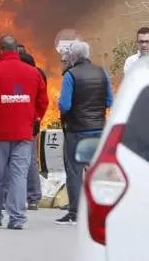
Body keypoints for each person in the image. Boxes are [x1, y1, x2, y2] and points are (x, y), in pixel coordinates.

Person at [0, 35, 48, 230]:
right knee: (19, 176)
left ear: (1, 50)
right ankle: (17, 218)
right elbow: (43, 101)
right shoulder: (33, 73)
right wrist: (34, 118)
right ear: (16, 50)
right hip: (23, 134)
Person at [55, 40, 114, 226]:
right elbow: (110, 101)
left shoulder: (70, 75)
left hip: (77, 131)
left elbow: (65, 106)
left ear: (72, 57)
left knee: (74, 171)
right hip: (99, 129)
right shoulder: (101, 72)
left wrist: (60, 102)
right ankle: (102, 210)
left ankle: (75, 213)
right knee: (97, 171)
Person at [17, 44, 46, 210]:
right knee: (31, 161)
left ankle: (20, 196)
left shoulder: (23, 76)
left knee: (14, 161)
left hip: (21, 122)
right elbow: (43, 100)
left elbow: (17, 96)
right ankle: (33, 197)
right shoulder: (39, 74)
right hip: (33, 122)